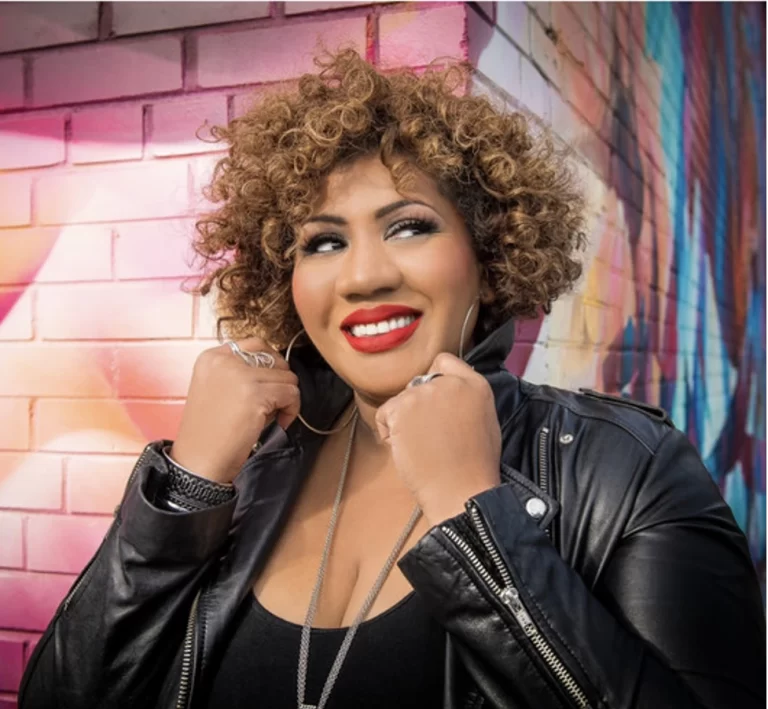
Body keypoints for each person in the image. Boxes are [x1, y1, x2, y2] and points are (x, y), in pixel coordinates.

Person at [19, 49, 766, 709]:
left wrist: (474, 516)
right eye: (323, 241)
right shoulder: (242, 473)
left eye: (409, 225)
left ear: (489, 250)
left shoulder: (627, 468)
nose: (366, 273)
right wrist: (187, 484)